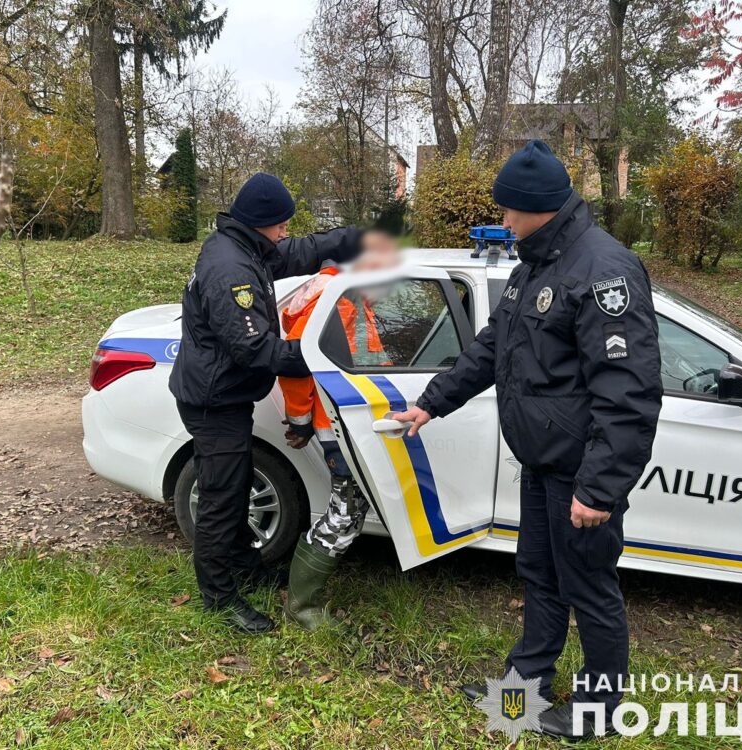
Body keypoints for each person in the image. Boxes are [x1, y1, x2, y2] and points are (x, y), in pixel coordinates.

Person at [393, 140, 663, 739]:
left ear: (539, 207)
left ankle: (598, 710)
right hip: (542, 463)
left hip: (580, 472)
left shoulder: (604, 271)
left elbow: (629, 395)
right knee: (539, 574)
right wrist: (432, 403)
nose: (503, 220)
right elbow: (493, 347)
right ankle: (524, 687)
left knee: (589, 588)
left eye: (510, 211)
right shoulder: (533, 266)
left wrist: (598, 490)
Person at [169, 171, 375, 634]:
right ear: (260, 222)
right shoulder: (231, 269)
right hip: (214, 401)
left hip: (225, 393)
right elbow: (255, 350)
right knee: (222, 501)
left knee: (237, 487)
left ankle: (246, 567)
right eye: (280, 223)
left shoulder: (246, 247)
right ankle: (220, 598)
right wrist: (322, 357)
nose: (285, 231)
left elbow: (296, 251)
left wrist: (353, 239)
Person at [277, 244, 399, 629]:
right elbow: (296, 366)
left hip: (354, 416)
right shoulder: (334, 296)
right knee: (345, 511)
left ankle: (300, 600)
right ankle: (300, 606)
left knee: (351, 508)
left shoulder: (343, 291)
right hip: (341, 422)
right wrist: (299, 422)